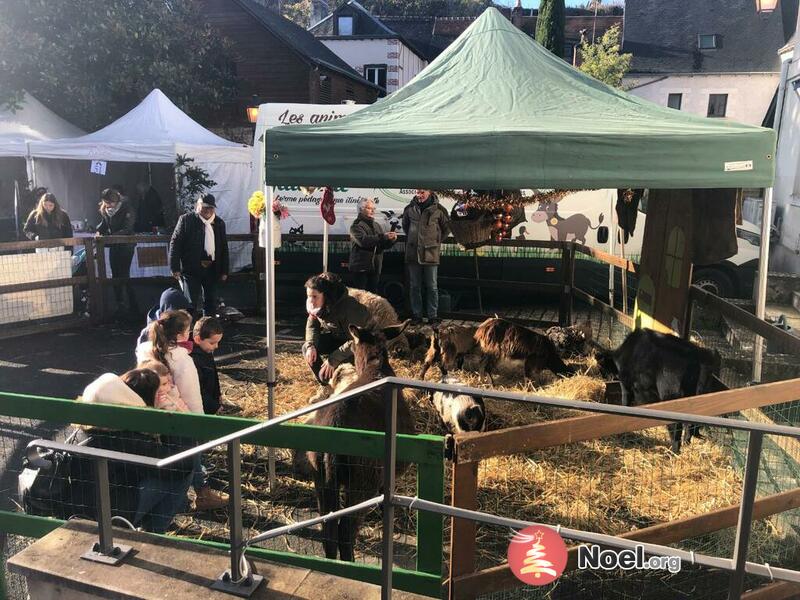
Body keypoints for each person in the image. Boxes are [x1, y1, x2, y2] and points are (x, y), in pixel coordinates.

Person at [74, 368, 195, 533]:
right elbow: (182, 465)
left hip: (78, 505)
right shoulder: (127, 436)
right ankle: (153, 534)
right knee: (180, 476)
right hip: (108, 515)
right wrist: (170, 421)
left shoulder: (88, 422)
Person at [135, 310, 228, 510]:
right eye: (186, 329)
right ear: (180, 335)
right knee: (190, 454)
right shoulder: (182, 359)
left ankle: (188, 495)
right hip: (177, 415)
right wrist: (200, 423)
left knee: (168, 456)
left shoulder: (145, 350)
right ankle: (199, 493)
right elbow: (191, 394)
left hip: (152, 413)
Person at [302, 272, 375, 397]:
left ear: (326, 295)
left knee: (340, 365)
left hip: (360, 345)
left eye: (315, 296)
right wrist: (311, 345)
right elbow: (312, 325)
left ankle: (345, 389)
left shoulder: (349, 308)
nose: (311, 301)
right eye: (309, 296)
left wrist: (333, 359)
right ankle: (326, 386)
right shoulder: (317, 306)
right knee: (306, 347)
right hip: (339, 338)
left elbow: (357, 339)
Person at [169, 193, 229, 318]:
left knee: (211, 301)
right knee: (190, 303)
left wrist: (224, 270)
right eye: (205, 207)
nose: (208, 210)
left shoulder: (219, 223)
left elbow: (223, 248)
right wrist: (174, 267)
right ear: (198, 206)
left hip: (212, 267)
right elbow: (175, 243)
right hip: (191, 267)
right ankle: (188, 330)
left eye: (211, 208)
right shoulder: (186, 220)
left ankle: (208, 329)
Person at [401, 189, 450, 325]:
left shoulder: (439, 209)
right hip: (413, 254)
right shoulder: (409, 209)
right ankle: (417, 315)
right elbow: (405, 227)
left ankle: (432, 316)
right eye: (417, 192)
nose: (419, 195)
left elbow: (446, 228)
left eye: (422, 192)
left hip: (431, 253)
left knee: (432, 286)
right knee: (414, 286)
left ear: (429, 192)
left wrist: (436, 241)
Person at [96, 187, 138, 317]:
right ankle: (120, 303)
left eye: (110, 203)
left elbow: (128, 227)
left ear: (116, 200)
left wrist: (112, 236)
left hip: (126, 245)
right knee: (115, 274)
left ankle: (133, 304)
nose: (108, 205)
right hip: (114, 244)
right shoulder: (105, 211)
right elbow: (104, 224)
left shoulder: (127, 208)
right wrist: (98, 231)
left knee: (124, 274)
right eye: (106, 203)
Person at [348, 198, 397, 293]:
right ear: (361, 209)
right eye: (369, 208)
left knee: (373, 296)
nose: (373, 211)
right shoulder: (356, 226)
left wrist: (391, 240)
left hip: (375, 267)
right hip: (360, 268)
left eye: (374, 208)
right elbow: (363, 241)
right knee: (361, 297)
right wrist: (383, 236)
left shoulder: (376, 225)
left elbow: (382, 245)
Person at [190, 316, 224, 415]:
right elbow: (198, 389)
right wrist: (213, 406)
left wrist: (218, 394)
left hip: (210, 399)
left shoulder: (206, 351)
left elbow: (214, 373)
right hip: (202, 407)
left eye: (218, 342)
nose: (216, 346)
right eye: (212, 343)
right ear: (197, 339)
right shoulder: (193, 360)